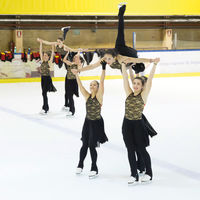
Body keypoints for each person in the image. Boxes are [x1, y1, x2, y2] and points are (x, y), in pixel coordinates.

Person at [75, 4, 156, 74]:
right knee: (132, 60)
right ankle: (121, 12)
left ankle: (121, 11)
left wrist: (79, 69)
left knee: (120, 35)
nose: (107, 61)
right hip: (131, 54)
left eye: (108, 58)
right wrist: (151, 60)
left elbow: (93, 66)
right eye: (107, 59)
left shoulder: (113, 58)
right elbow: (93, 66)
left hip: (126, 53)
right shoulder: (121, 59)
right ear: (115, 57)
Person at [121, 57, 160, 185]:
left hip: (138, 125)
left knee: (142, 150)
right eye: (134, 83)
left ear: (142, 86)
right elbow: (125, 79)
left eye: (138, 84)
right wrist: (122, 64)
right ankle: (134, 174)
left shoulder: (143, 95)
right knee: (130, 150)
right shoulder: (128, 93)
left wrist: (154, 64)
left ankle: (149, 173)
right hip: (126, 124)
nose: (135, 85)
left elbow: (150, 81)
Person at [71, 62, 108, 179]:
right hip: (87, 123)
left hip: (96, 123)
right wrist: (77, 74)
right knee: (84, 144)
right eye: (91, 85)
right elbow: (80, 86)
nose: (92, 87)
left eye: (94, 85)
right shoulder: (87, 96)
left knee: (92, 146)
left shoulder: (99, 97)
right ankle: (80, 164)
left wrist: (103, 68)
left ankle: (94, 167)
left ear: (97, 87)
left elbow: (102, 82)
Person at [62, 51, 85, 115]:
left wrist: (79, 52)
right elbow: (64, 60)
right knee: (67, 94)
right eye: (74, 57)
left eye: (76, 57)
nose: (75, 58)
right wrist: (68, 52)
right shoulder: (71, 63)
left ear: (79, 59)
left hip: (73, 81)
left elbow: (79, 65)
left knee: (70, 96)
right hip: (68, 80)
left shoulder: (79, 65)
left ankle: (72, 111)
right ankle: (68, 106)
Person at [38, 41, 57, 114]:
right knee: (43, 93)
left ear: (48, 57)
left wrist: (52, 47)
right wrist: (41, 43)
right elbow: (40, 51)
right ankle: (46, 107)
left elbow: (52, 54)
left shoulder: (49, 62)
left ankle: (45, 108)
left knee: (44, 93)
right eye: (44, 55)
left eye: (46, 55)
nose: (44, 56)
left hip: (47, 79)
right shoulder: (42, 61)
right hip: (42, 78)